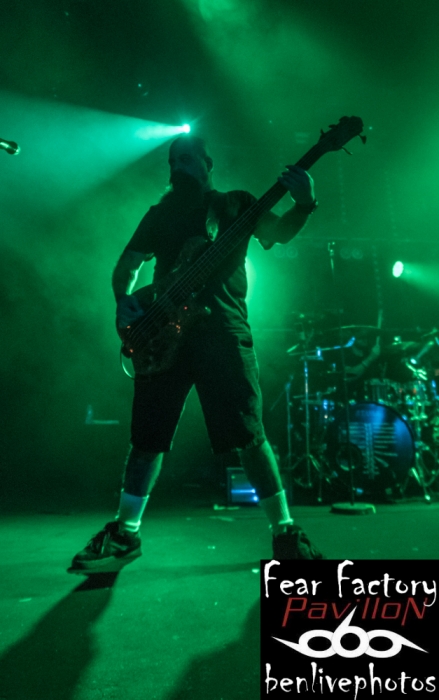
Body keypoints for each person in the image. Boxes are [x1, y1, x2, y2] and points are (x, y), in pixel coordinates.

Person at [68, 135, 324, 574]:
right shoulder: (159, 214)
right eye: (173, 161)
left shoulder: (236, 203)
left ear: (208, 163)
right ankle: (125, 532)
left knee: (249, 435)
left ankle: (285, 532)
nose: (179, 166)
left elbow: (278, 233)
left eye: (188, 159)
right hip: (162, 335)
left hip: (222, 333)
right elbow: (127, 266)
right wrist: (123, 300)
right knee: (147, 437)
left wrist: (304, 203)